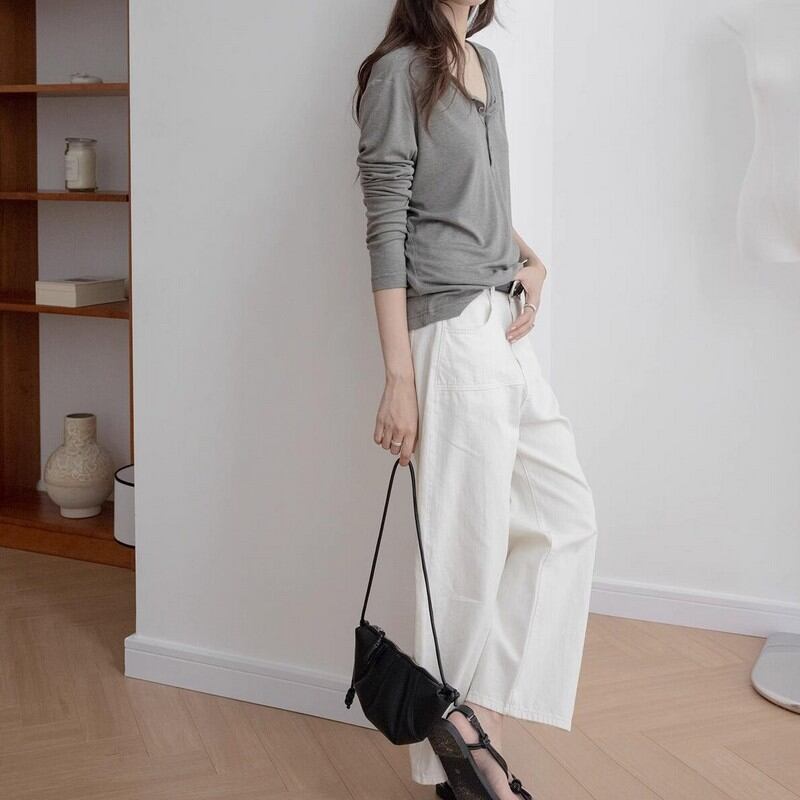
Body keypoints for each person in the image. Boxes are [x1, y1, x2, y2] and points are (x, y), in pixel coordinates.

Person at [354, 2, 599, 797]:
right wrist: (399, 378)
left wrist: (531, 258)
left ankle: (466, 726)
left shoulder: (484, 64)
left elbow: (479, 195)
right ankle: (457, 768)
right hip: (449, 332)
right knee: (464, 556)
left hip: (502, 319)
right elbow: (386, 225)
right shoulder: (398, 73)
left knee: (564, 518)